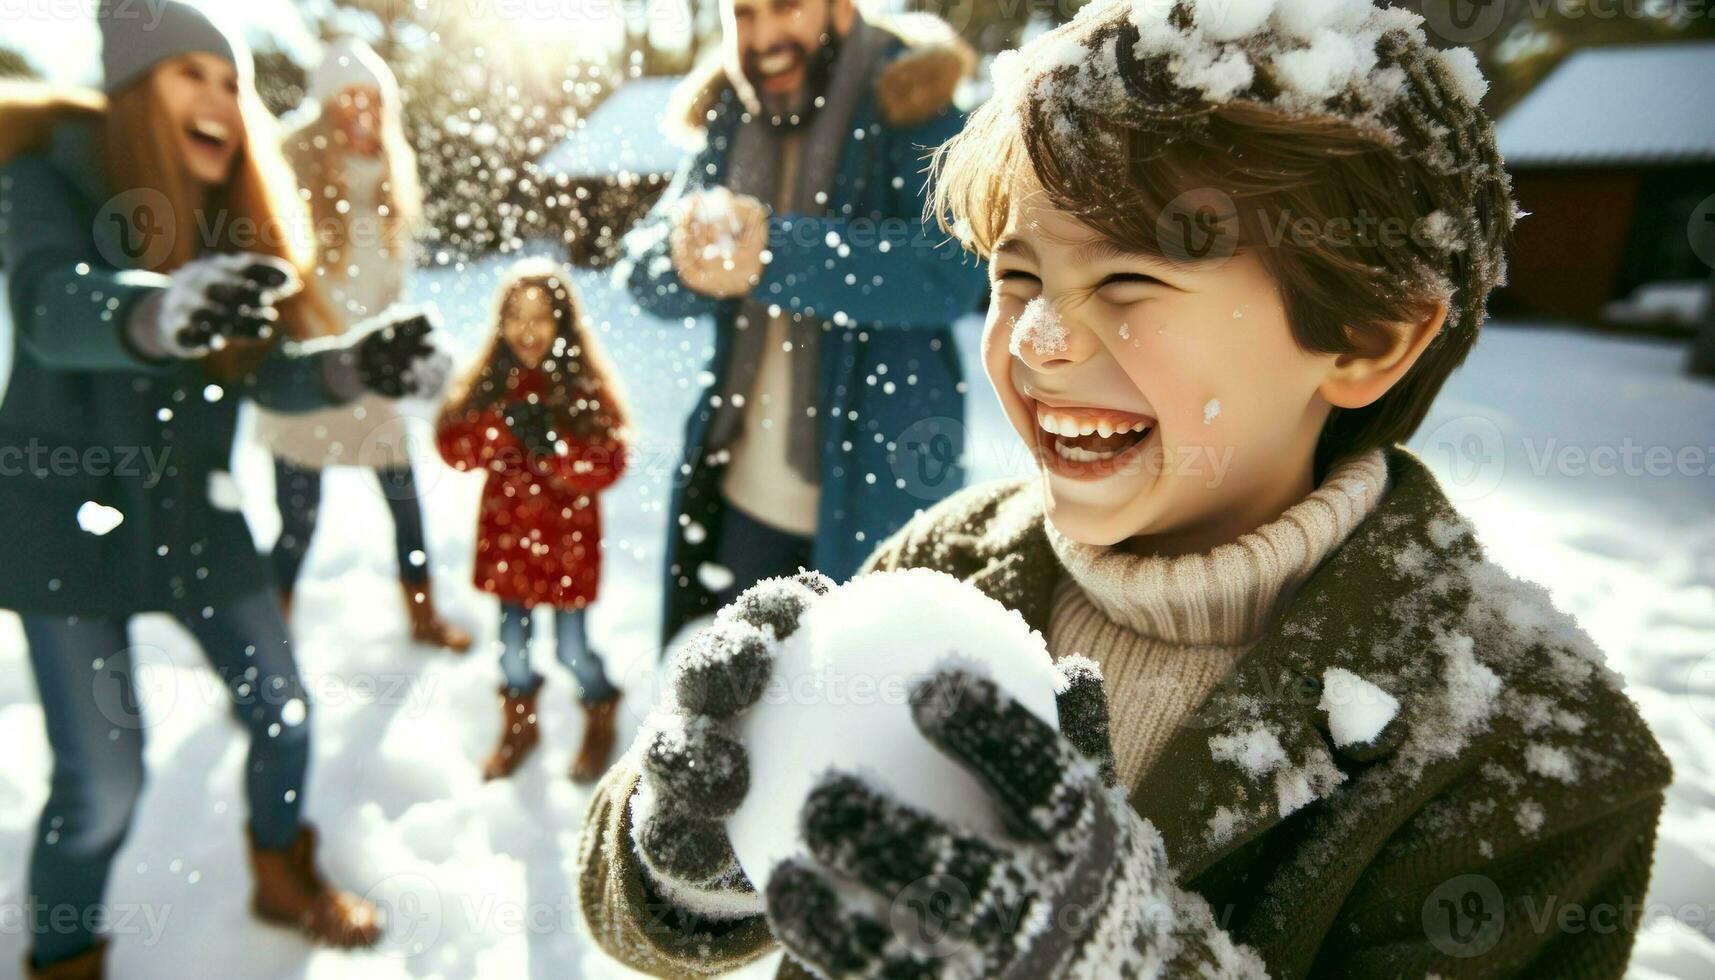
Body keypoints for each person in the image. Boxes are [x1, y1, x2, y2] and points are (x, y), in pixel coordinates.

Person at [575, 2, 1672, 977]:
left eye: (1130, 276)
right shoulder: (944, 565)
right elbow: (631, 916)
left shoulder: (1531, 746)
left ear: (1365, 334)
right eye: (1016, 276)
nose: (1040, 340)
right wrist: (684, 869)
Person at [0, 5, 450, 976]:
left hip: (192, 509)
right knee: (105, 783)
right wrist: (156, 312)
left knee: (283, 708)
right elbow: (47, 305)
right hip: (61, 520)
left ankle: (280, 868)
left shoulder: (233, 215)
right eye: (185, 75)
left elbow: (268, 371)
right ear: (134, 93)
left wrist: (354, 365)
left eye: (225, 79)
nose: (215, 99)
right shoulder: (47, 179)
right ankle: (65, 954)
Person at [612, 0, 988, 649]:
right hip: (741, 497)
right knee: (742, 716)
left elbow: (956, 267)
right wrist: (685, 259)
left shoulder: (911, 95)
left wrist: (772, 255)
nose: (763, 37)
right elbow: (640, 266)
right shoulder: (732, 112)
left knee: (863, 722)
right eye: (745, 13)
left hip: (881, 502)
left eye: (785, 7)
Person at [254, 39, 471, 651]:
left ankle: (424, 618)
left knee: (406, 506)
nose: (363, 113)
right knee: (298, 522)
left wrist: (413, 351)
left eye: (373, 101)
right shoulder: (288, 181)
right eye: (348, 100)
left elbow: (388, 288)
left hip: (373, 373)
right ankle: (271, 633)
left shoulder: (391, 182)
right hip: (308, 376)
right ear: (323, 109)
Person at [436, 260, 629, 783]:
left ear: (562, 323)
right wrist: (499, 428)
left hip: (567, 543)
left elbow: (610, 461)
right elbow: (454, 448)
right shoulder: (490, 384)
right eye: (516, 316)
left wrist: (558, 451)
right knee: (512, 650)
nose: (527, 329)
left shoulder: (583, 386)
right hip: (510, 542)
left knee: (571, 648)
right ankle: (519, 725)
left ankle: (601, 705)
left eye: (541, 317)